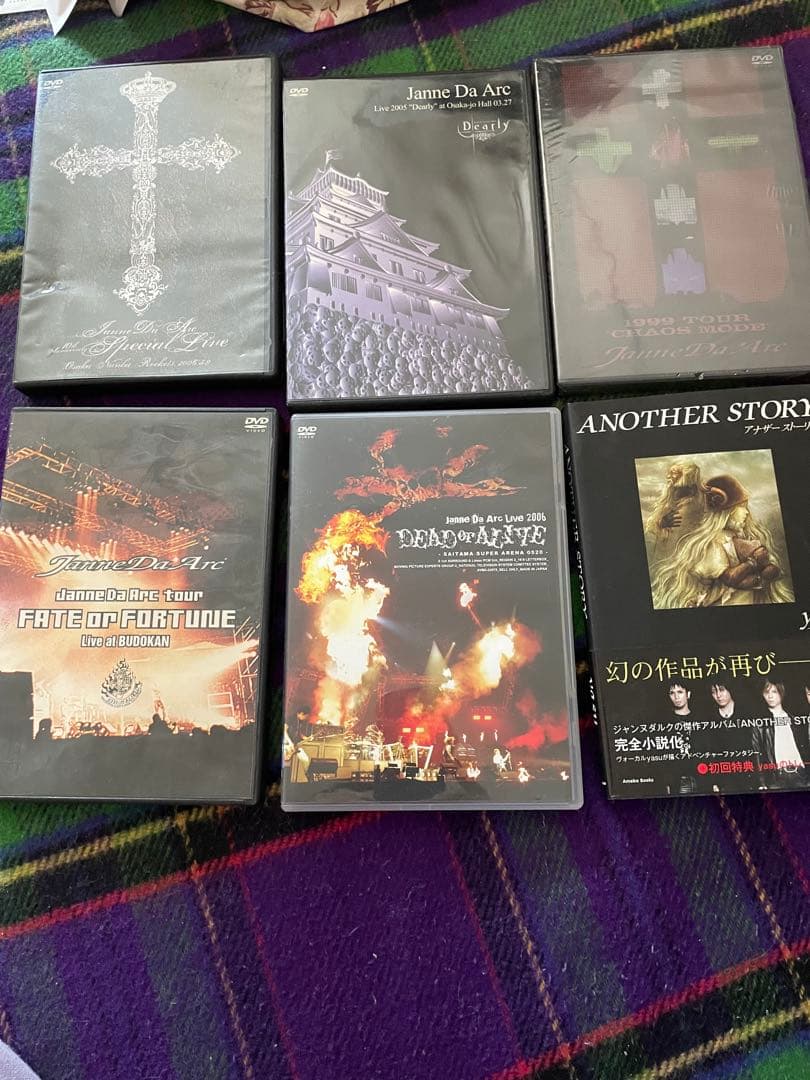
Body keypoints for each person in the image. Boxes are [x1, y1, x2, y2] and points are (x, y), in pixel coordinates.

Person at [652, 474, 792, 609]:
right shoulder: (714, 543)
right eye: (742, 508)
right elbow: (730, 578)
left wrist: (768, 569)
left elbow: (768, 571)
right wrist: (754, 561)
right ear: (727, 512)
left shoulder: (741, 537)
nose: (746, 513)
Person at [752, 681, 808, 789]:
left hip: (800, 774)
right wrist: (761, 782)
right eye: (766, 692)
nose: (770, 696)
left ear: (781, 693)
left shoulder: (794, 719)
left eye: (774, 691)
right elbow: (757, 754)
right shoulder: (760, 724)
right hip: (776, 778)